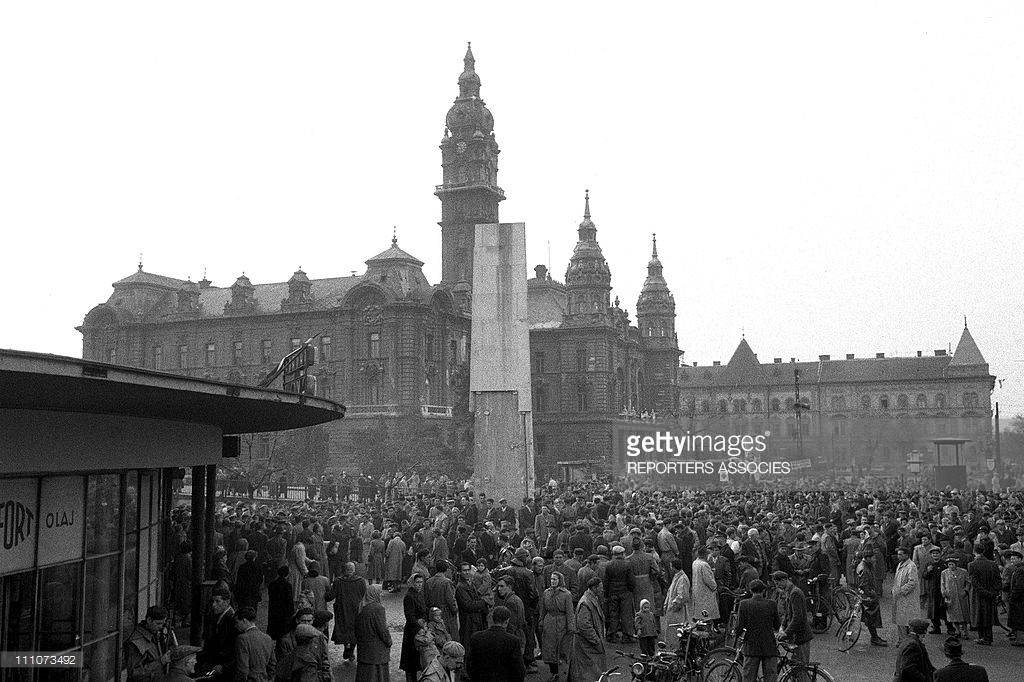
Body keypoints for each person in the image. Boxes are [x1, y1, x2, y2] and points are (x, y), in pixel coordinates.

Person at [734, 579, 781, 682]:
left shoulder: (744, 604)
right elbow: (777, 625)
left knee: (749, 677)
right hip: (769, 646)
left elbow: (739, 626)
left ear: (751, 591)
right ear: (763, 591)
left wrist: (737, 636)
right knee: (770, 678)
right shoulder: (771, 604)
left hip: (751, 647)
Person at [467, 606, 526, 682]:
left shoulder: (476, 638)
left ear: (492, 618)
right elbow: (519, 669)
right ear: (506, 621)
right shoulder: (513, 641)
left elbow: (470, 665)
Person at [539, 571, 575, 682]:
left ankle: (563, 673)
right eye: (551, 579)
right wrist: (541, 621)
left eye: (555, 579)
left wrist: (571, 627)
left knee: (561, 648)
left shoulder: (566, 594)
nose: (553, 581)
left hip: (561, 622)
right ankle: (553, 672)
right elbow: (543, 609)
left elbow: (570, 612)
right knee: (549, 648)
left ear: (560, 580)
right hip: (549, 621)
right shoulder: (546, 593)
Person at [568, 578, 606, 682]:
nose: (603, 590)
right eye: (601, 587)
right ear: (594, 588)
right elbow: (584, 625)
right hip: (587, 646)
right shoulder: (586, 602)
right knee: (589, 675)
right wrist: (596, 641)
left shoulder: (592, 599)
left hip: (589, 645)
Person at [125, 605, 174, 682]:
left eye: (162, 624)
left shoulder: (153, 634)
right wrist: (160, 662)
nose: (161, 627)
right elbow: (134, 674)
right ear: (149, 620)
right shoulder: (137, 642)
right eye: (158, 624)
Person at [773, 571, 812, 665]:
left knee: (801, 669)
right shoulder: (789, 592)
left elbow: (798, 617)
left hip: (801, 636)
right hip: (796, 636)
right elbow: (787, 613)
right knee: (796, 668)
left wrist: (786, 633)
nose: (778, 586)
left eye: (778, 583)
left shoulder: (795, 593)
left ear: (784, 580)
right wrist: (782, 627)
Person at [354, 584, 392, 682]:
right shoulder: (378, 608)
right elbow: (382, 630)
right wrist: (389, 641)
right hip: (376, 652)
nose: (381, 595)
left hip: (364, 651)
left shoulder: (362, 607)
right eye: (379, 593)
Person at [198, 587, 237, 678]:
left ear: (227, 602)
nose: (213, 605)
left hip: (223, 666)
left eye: (217, 601)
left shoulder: (232, 620)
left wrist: (224, 666)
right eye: (212, 601)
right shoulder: (214, 616)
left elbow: (235, 648)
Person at [332, 561, 368, 661]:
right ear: (354, 570)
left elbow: (331, 595)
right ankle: (351, 649)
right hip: (356, 610)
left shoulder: (338, 581)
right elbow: (365, 594)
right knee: (354, 630)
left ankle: (346, 647)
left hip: (342, 609)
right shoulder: (360, 581)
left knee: (344, 629)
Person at [967, 542, 1000, 645]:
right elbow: (998, 580)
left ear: (974, 551)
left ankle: (982, 637)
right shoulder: (993, 564)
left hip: (978, 594)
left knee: (979, 615)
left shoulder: (972, 565)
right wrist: (992, 592)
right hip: (990, 594)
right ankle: (988, 637)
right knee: (988, 615)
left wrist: (984, 592)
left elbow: (974, 582)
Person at [234, 606, 276, 682]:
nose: (236, 626)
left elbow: (243, 669)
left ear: (244, 620)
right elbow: (272, 664)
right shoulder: (267, 638)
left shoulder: (242, 639)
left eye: (237, 622)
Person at [401, 573, 430, 682]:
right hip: (412, 631)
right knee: (411, 660)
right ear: (413, 583)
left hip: (420, 628)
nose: (419, 585)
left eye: (421, 582)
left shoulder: (419, 594)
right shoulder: (409, 596)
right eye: (417, 582)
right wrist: (419, 626)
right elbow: (409, 615)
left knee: (418, 658)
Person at [662, 558, 691, 649]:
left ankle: (677, 648)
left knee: (677, 630)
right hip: (673, 609)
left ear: (674, 567)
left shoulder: (682, 578)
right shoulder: (677, 576)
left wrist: (672, 605)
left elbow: (682, 596)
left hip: (678, 610)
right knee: (672, 630)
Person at [892, 547, 920, 639]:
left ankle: (908, 640)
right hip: (900, 597)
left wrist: (901, 590)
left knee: (907, 621)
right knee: (900, 620)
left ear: (907, 555)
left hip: (908, 597)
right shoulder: (900, 564)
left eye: (901, 554)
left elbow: (912, 582)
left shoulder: (911, 566)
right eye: (898, 554)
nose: (898, 556)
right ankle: (902, 639)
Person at [940, 555, 971, 639]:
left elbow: (968, 582)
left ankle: (965, 631)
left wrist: (966, 590)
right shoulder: (944, 573)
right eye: (949, 564)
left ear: (956, 564)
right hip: (950, 596)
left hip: (961, 596)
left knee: (964, 614)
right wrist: (944, 592)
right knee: (953, 615)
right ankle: (957, 630)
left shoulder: (963, 572)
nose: (951, 566)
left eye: (952, 564)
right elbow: (942, 584)